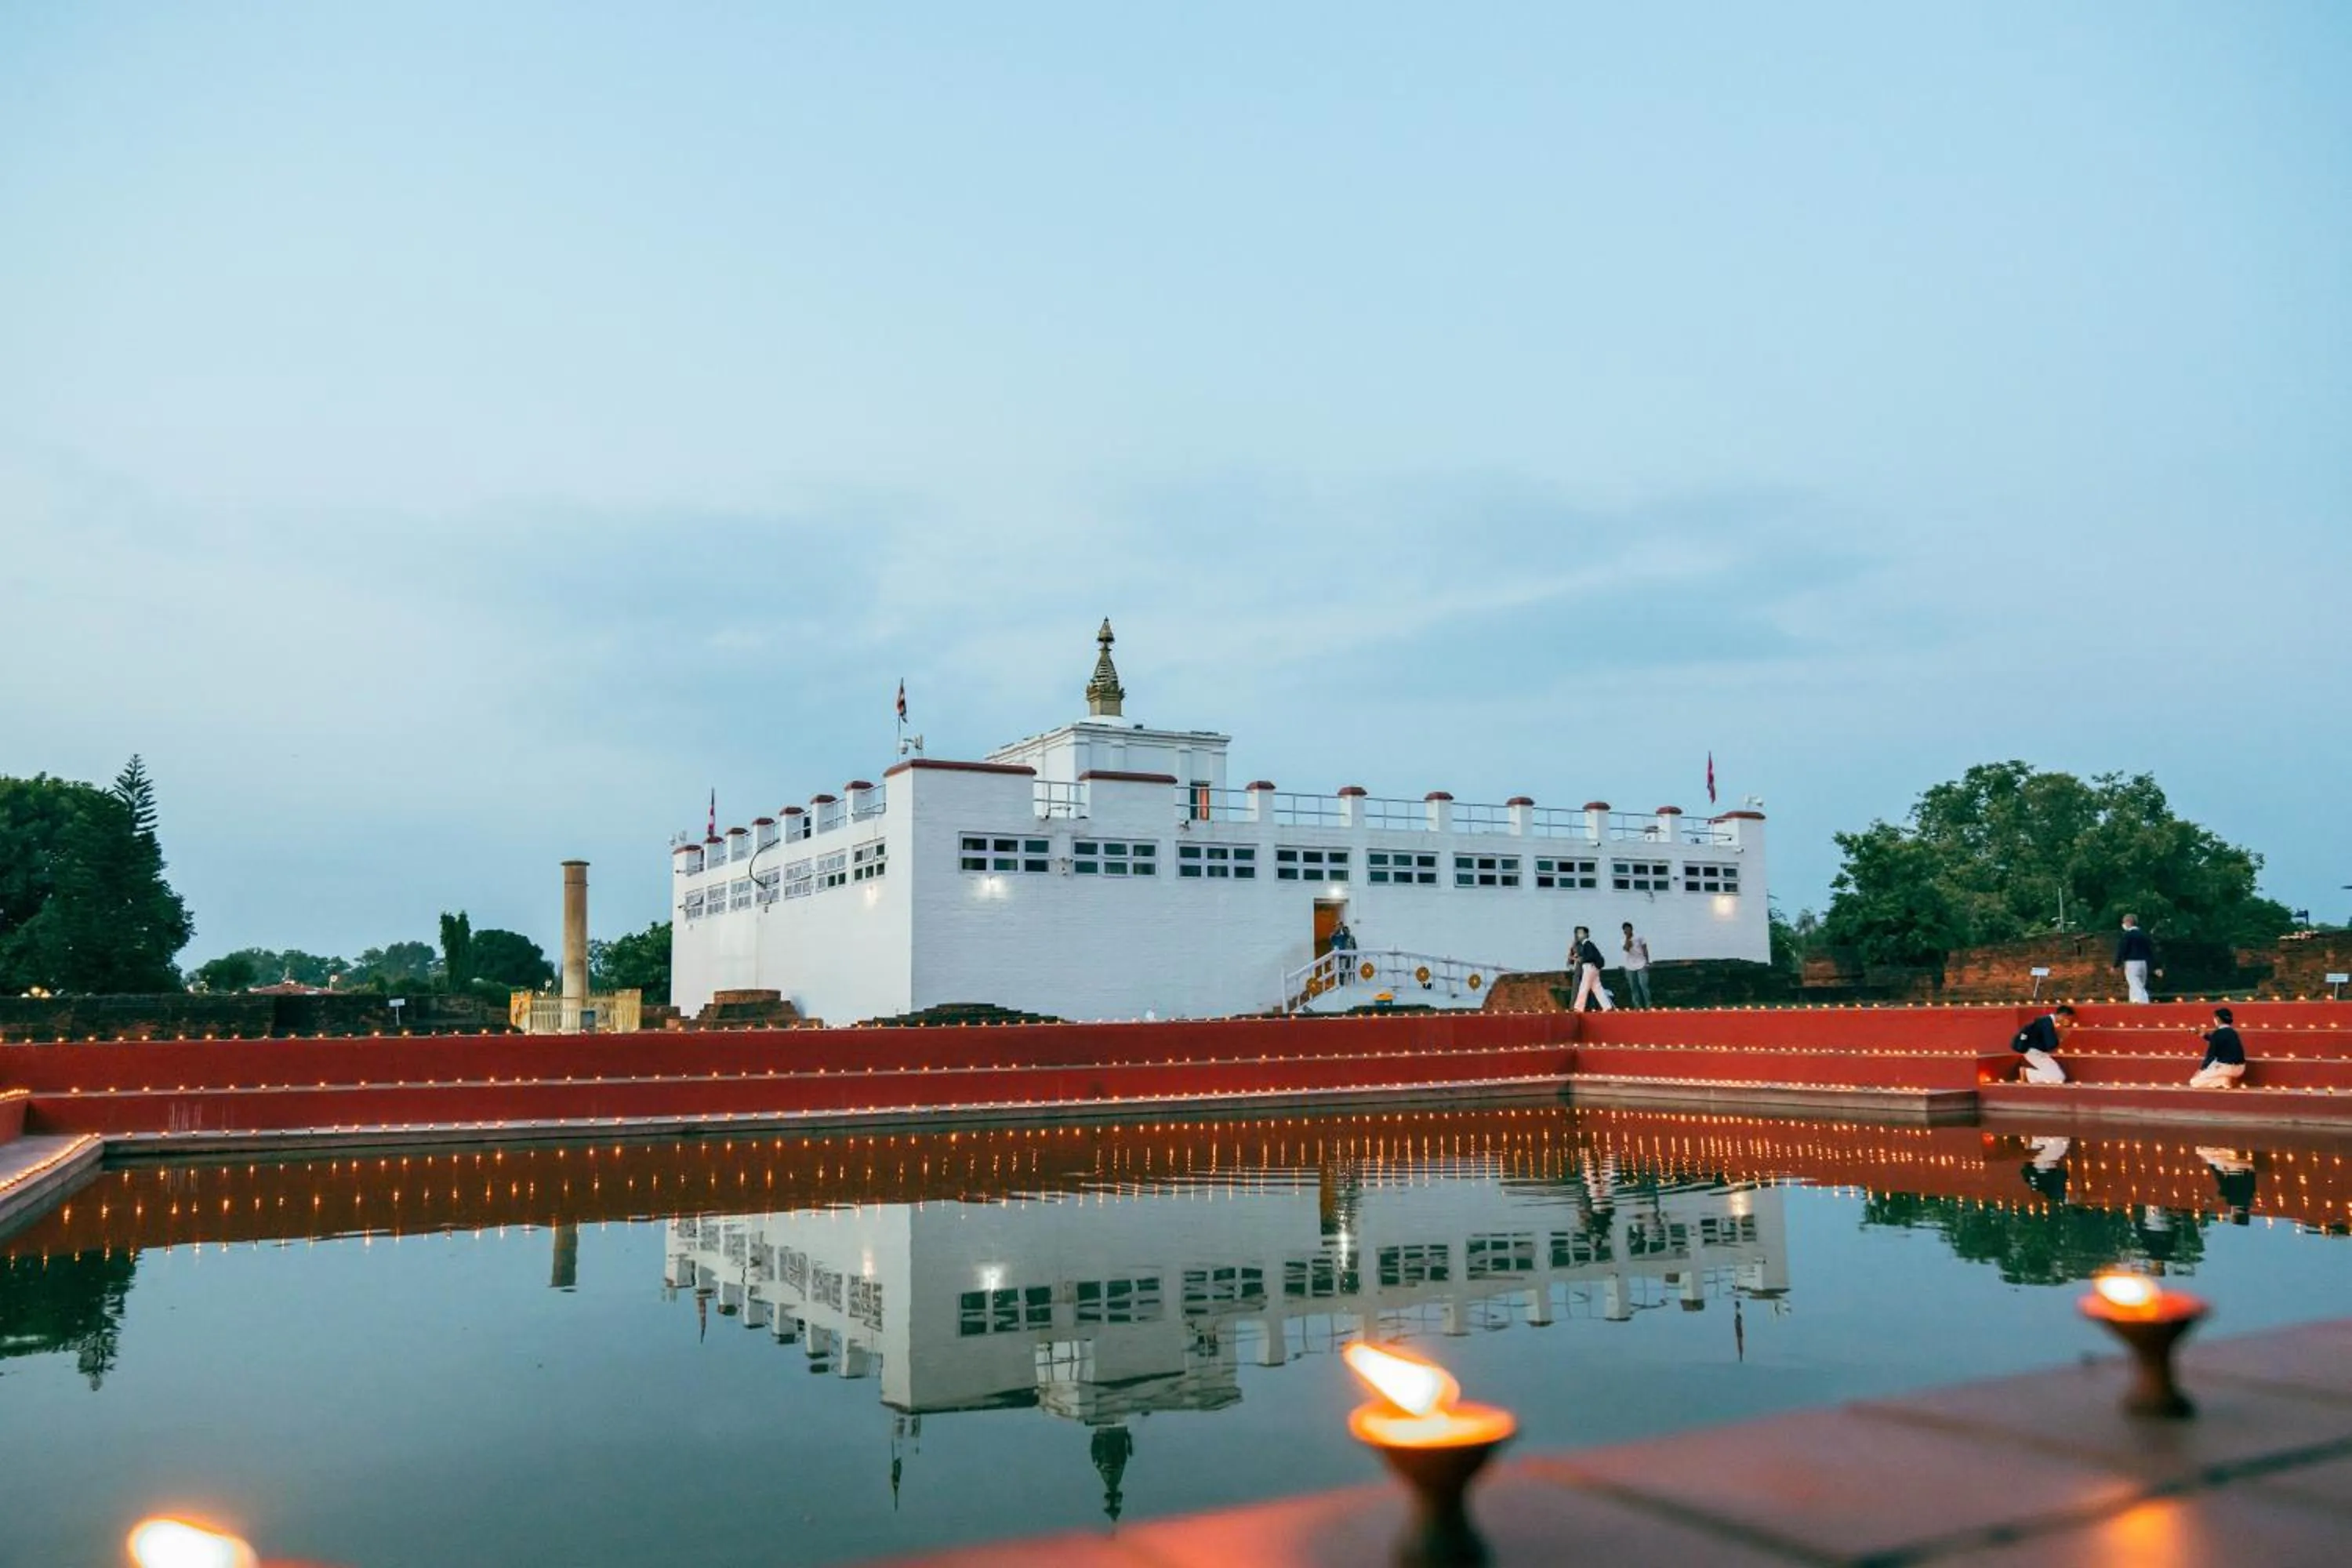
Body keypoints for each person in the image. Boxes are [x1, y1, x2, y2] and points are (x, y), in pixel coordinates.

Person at [2010, 1004, 2076, 1083]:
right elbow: (2050, 1045)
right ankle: (2028, 1073)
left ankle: (2028, 1073)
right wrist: (2060, 1038)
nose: (2069, 1022)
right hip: (2035, 1053)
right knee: (2059, 1078)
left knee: (2058, 1076)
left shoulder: (2045, 1021)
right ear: (2063, 1016)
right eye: (2069, 1019)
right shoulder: (2047, 1023)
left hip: (2035, 1053)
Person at [2190, 1006, 2247, 1088]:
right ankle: (2225, 1079)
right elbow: (2219, 1041)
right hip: (2240, 1069)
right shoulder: (2233, 1032)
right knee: (2214, 1065)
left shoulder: (2218, 1033)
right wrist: (2203, 1035)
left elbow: (2211, 1055)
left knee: (2194, 1082)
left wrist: (2200, 1070)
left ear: (2217, 1019)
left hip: (2227, 1068)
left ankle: (2223, 1080)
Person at [2115, 915, 2158, 1004]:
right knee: (2140, 983)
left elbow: (2122, 950)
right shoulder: (2144, 935)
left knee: (2134, 983)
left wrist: (2116, 964)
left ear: (2128, 922)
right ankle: (2133, 1001)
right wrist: (2156, 966)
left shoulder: (2127, 935)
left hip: (2132, 962)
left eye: (2124, 922)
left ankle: (2142, 1002)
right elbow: (2150, 950)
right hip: (2143, 963)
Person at [1570, 925, 1613, 1011]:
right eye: (1578, 933)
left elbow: (1589, 957)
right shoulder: (1589, 944)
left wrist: (1580, 959)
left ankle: (1578, 1007)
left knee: (1584, 987)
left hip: (1589, 968)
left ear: (1586, 934)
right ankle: (1607, 1006)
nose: (1579, 935)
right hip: (1594, 969)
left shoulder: (1587, 944)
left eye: (1581, 933)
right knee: (1597, 988)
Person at [1620, 922, 1653, 1009]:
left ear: (1632, 929)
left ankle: (1648, 1004)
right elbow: (1626, 948)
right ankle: (1637, 1006)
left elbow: (1645, 949)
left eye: (1628, 928)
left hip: (1641, 964)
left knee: (1643, 985)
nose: (1627, 930)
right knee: (1633, 987)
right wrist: (1627, 938)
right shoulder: (1623, 940)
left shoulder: (1639, 937)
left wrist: (1647, 962)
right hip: (1629, 966)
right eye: (1625, 929)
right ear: (1623, 931)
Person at [1327, 917, 1356, 985]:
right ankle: (1335, 983)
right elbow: (1332, 936)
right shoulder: (1332, 935)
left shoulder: (1343, 937)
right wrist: (1337, 927)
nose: (1338, 927)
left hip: (1343, 956)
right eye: (1337, 926)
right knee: (1335, 970)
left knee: (1342, 971)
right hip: (1335, 957)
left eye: (1339, 925)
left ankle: (1342, 983)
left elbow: (1348, 935)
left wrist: (1342, 927)